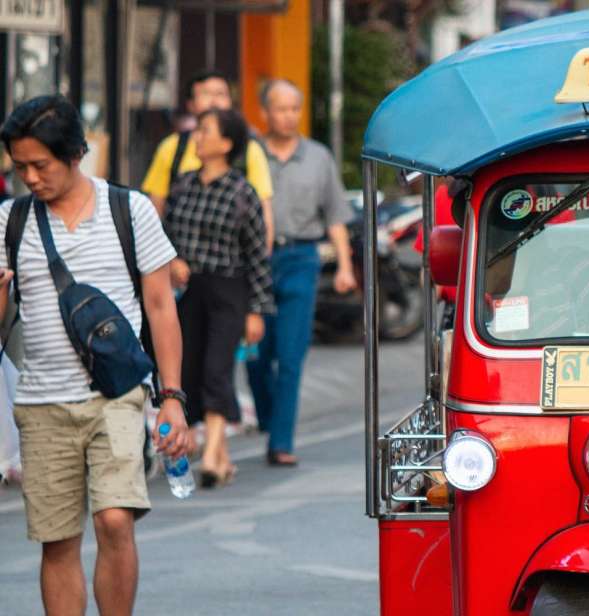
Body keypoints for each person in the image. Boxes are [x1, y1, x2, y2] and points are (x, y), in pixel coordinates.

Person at [0, 95, 190, 615]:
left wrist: (171, 397)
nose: (32, 178)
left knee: (113, 519)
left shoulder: (130, 210)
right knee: (58, 540)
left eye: (42, 165)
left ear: (76, 154)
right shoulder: (9, 221)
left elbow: (160, 307)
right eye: (20, 168)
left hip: (117, 396)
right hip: (40, 405)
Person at [247, 79, 354, 467]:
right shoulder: (249, 154)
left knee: (291, 356)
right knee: (256, 353)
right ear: (265, 112)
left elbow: (336, 217)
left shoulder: (318, 157)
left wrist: (343, 265)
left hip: (301, 259)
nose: (289, 116)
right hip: (255, 260)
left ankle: (280, 441)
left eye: (295, 108)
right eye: (281, 108)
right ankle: (267, 416)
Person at [164, 108, 273, 487]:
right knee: (191, 368)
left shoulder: (243, 193)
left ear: (226, 143)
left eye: (205, 131)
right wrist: (173, 259)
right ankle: (221, 457)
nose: (197, 136)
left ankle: (211, 455)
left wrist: (257, 311)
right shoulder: (182, 186)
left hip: (230, 290)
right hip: (188, 289)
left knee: (217, 368)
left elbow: (258, 255)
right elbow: (163, 235)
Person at [142, 69, 274, 248]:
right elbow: (156, 209)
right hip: (179, 263)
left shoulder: (249, 149)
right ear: (191, 104)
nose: (214, 101)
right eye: (205, 94)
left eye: (221, 94)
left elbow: (263, 214)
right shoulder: (172, 147)